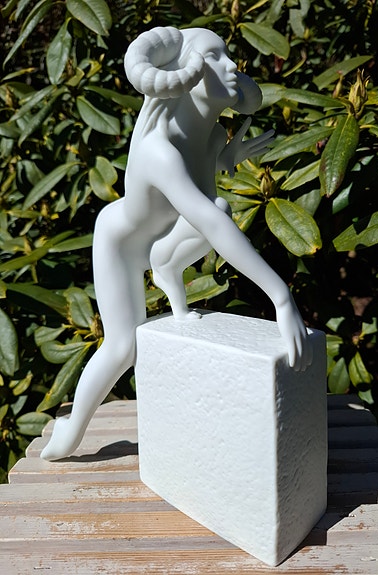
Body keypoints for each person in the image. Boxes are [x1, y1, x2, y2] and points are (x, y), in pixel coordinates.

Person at [41, 26, 312, 461]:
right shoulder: (159, 151)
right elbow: (209, 224)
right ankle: (72, 431)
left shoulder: (213, 137)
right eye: (215, 58)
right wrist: (281, 296)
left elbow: (207, 200)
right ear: (186, 72)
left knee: (220, 204)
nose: (232, 66)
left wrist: (228, 158)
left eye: (228, 55)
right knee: (123, 347)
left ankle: (167, 269)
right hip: (121, 244)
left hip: (167, 237)